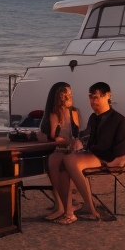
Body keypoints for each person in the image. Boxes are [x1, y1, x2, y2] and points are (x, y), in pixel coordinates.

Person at [56, 82, 125, 224]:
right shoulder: (94, 118)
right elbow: (88, 136)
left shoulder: (118, 120)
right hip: (94, 154)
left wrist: (116, 162)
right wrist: (78, 139)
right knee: (62, 163)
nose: (92, 101)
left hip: (109, 158)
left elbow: (123, 145)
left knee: (70, 161)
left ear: (107, 96)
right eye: (91, 97)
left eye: (96, 98)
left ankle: (91, 208)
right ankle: (67, 210)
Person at [38, 82, 83, 221]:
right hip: (61, 147)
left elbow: (75, 133)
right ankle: (62, 208)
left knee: (56, 163)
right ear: (58, 97)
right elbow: (53, 136)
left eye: (69, 94)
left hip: (72, 149)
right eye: (65, 95)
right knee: (53, 163)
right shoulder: (54, 114)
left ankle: (68, 211)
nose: (69, 97)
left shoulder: (74, 112)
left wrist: (68, 141)